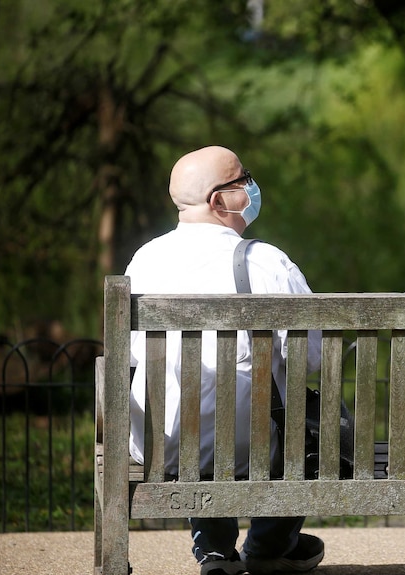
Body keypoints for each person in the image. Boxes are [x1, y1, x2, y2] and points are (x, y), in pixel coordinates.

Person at [125, 146, 325, 575]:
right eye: (243, 179)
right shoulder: (267, 262)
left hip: (159, 443)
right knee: (304, 428)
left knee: (203, 422)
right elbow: (310, 358)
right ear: (219, 200)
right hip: (254, 447)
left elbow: (135, 353)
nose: (252, 187)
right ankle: (269, 546)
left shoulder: (143, 261)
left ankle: (216, 552)